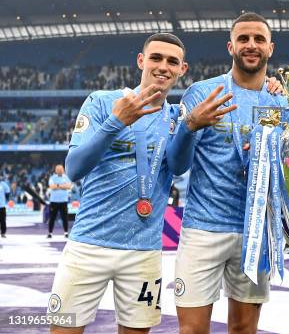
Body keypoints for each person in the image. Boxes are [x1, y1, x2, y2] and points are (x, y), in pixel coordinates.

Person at [48, 33, 188, 333]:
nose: (163, 66)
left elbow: (179, 166)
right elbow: (73, 169)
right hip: (87, 245)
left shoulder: (176, 118)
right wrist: (116, 122)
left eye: (172, 61)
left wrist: (271, 84)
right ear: (141, 60)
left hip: (143, 252)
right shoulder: (102, 102)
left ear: (182, 69)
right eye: (156, 58)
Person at [168, 12, 286, 334]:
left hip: (255, 232)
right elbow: (178, 165)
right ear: (230, 46)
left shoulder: (281, 101)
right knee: (191, 331)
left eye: (259, 39)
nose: (251, 45)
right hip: (202, 229)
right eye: (243, 39)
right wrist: (190, 125)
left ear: (270, 48)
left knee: (243, 330)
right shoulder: (201, 93)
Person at [47, 164, 72, 238]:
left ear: (63, 170)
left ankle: (66, 233)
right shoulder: (52, 177)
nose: (60, 171)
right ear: (56, 170)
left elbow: (68, 186)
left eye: (61, 169)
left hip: (63, 201)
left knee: (65, 218)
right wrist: (62, 186)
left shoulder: (66, 177)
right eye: (58, 169)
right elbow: (52, 187)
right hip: (54, 201)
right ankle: (50, 233)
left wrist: (57, 185)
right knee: (52, 218)